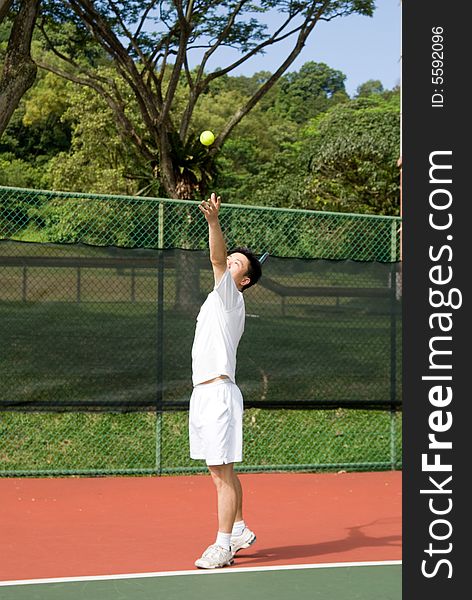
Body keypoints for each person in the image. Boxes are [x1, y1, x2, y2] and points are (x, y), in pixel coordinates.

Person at [189, 192, 262, 569]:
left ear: (244, 280)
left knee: (222, 474)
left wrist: (213, 222)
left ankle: (223, 546)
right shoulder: (215, 301)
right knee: (220, 470)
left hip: (219, 392)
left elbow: (217, 258)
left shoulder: (231, 297)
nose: (227, 263)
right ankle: (239, 528)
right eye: (231, 259)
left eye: (237, 264)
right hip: (202, 393)